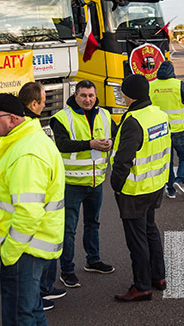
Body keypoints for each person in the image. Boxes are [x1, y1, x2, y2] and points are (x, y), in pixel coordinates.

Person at [0, 93, 64, 326]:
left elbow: (29, 212)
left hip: (24, 250)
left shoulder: (26, 153)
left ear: (13, 119)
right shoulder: (25, 143)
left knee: (19, 316)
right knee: (32, 310)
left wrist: (10, 253)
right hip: (29, 247)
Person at [50, 80, 117, 291]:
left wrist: (111, 142)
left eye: (91, 96)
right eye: (83, 96)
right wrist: (90, 144)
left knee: (93, 223)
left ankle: (93, 260)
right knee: (68, 230)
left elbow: (115, 135)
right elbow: (62, 145)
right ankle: (67, 270)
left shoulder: (105, 115)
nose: (88, 100)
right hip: (71, 183)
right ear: (75, 96)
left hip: (96, 182)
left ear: (96, 96)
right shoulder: (61, 118)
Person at [110, 74, 170, 302]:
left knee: (137, 239)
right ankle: (158, 277)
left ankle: (142, 286)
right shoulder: (159, 115)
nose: (123, 96)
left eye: (124, 92)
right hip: (155, 184)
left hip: (134, 189)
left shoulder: (133, 121)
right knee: (150, 231)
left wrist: (116, 185)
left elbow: (123, 160)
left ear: (130, 95)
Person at [19, 82, 66, 311]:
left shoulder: (33, 126)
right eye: (44, 100)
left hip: (47, 209)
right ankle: (36, 297)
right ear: (34, 103)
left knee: (42, 255)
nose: (46, 104)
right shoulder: (29, 131)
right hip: (38, 211)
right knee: (34, 258)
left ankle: (42, 291)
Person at [149, 61, 184, 198]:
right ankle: (179, 180)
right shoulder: (179, 85)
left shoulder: (151, 86)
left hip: (160, 131)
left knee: (167, 160)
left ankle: (170, 190)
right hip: (179, 129)